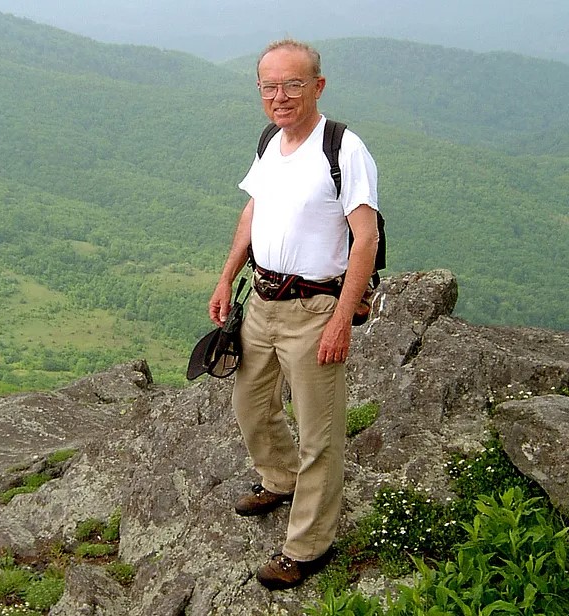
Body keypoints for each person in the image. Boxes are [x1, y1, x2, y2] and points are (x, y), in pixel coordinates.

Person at [208, 39, 379, 590]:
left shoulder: (343, 149)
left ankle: (307, 546)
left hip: (314, 307)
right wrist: (226, 276)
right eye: (269, 86)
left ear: (318, 86)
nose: (279, 96)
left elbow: (365, 239)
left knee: (320, 431)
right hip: (262, 300)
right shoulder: (270, 143)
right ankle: (279, 479)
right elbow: (252, 211)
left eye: (293, 84)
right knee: (251, 405)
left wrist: (340, 319)